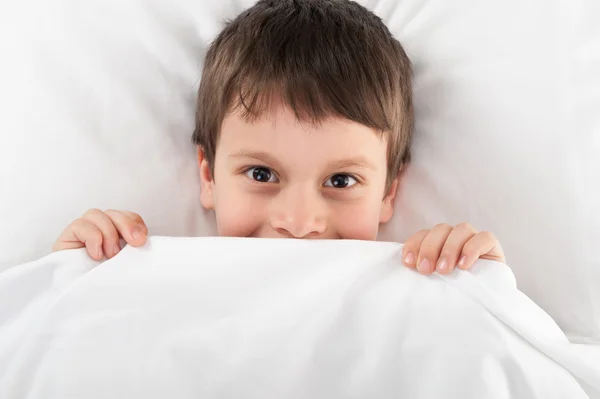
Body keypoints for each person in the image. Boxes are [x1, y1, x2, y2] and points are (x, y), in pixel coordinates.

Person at [52, 0, 504, 275]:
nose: (299, 222)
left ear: (389, 191)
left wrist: (478, 283)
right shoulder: (147, 274)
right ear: (208, 177)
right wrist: (71, 275)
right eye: (262, 173)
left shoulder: (423, 283)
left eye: (341, 181)